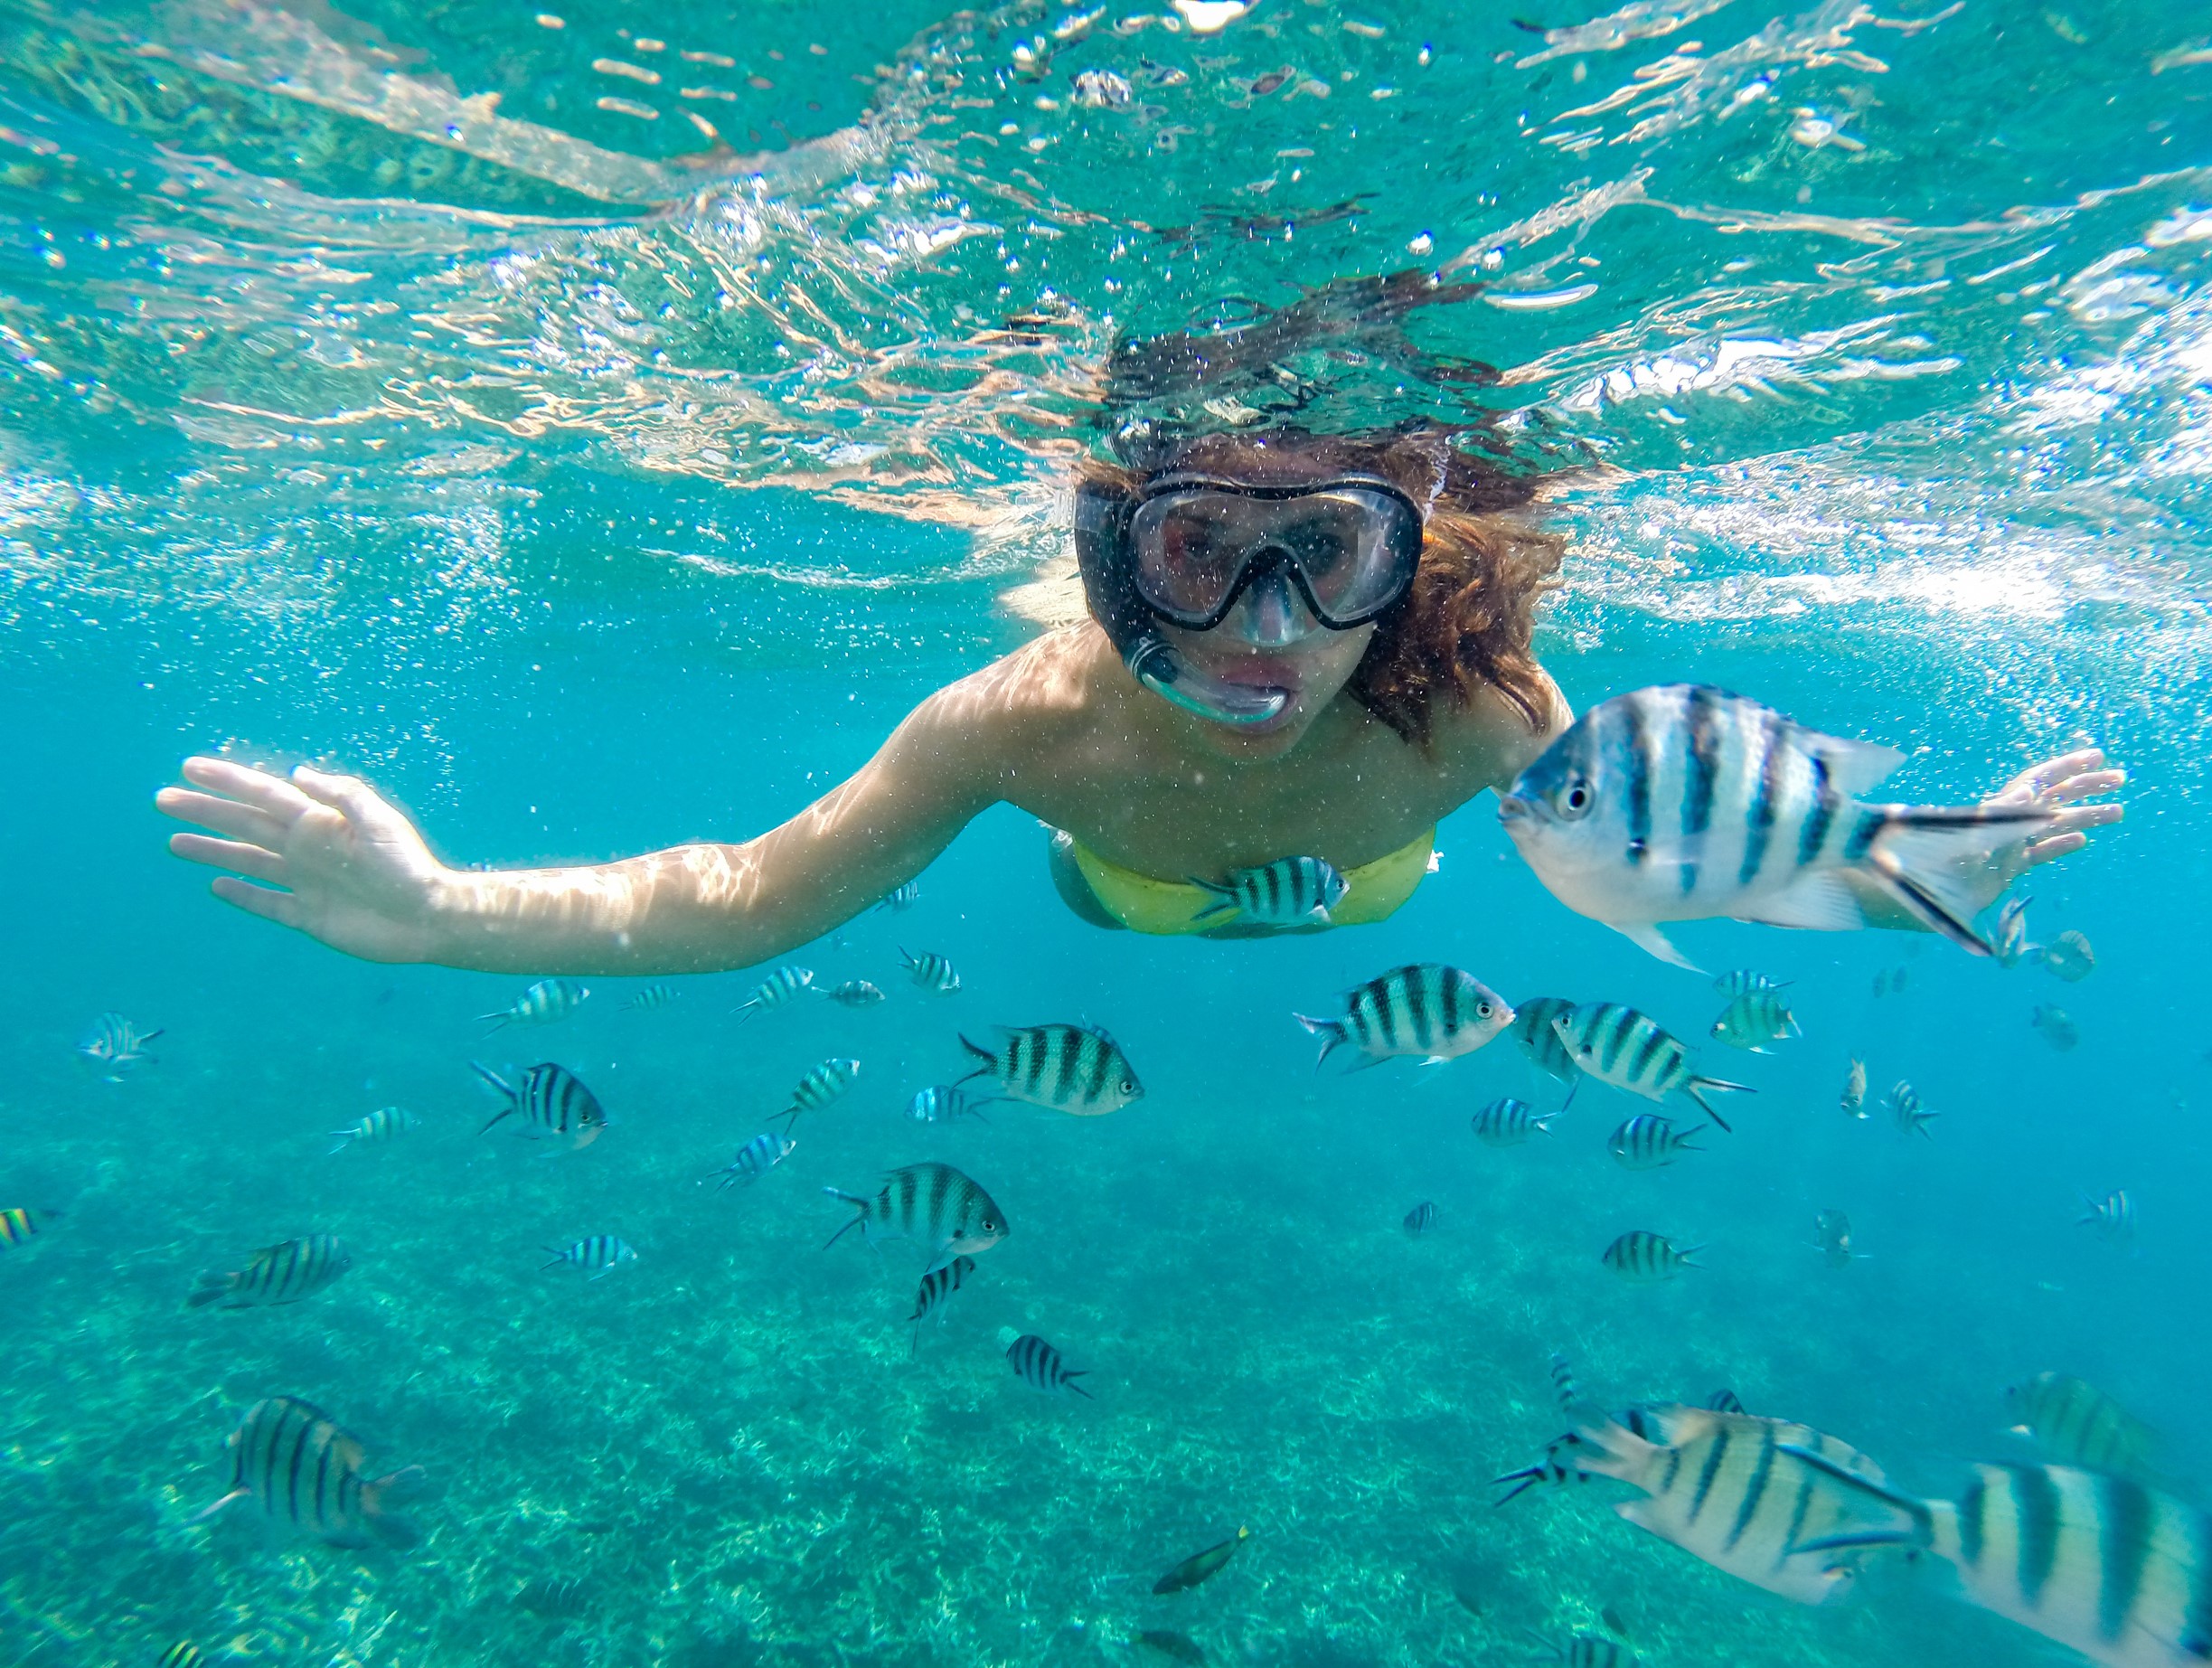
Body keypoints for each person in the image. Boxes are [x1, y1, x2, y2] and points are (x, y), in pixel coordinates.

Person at [155, 421, 2120, 971]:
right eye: (1198, 555)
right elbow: (750, 893)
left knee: (1384, 898)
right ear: (1113, 561)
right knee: (1125, 900)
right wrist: (430, 910)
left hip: (1379, 889)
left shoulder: (1488, 719)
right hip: (1124, 873)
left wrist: (1941, 866)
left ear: (1409, 567)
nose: (1266, 628)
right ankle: (1136, 900)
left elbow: (1712, 849)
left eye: (1328, 557)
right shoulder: (1020, 723)